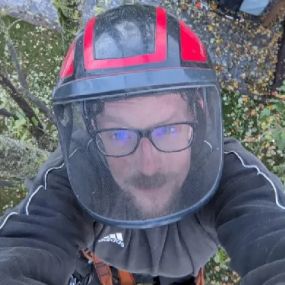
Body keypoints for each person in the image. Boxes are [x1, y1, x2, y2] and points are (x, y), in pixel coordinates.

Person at [0, 4, 285, 285]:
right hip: (105, 270)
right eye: (119, 135)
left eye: (170, 129)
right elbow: (26, 242)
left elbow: (271, 231)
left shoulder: (229, 171)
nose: (148, 165)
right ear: (92, 128)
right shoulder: (76, 171)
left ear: (198, 117)